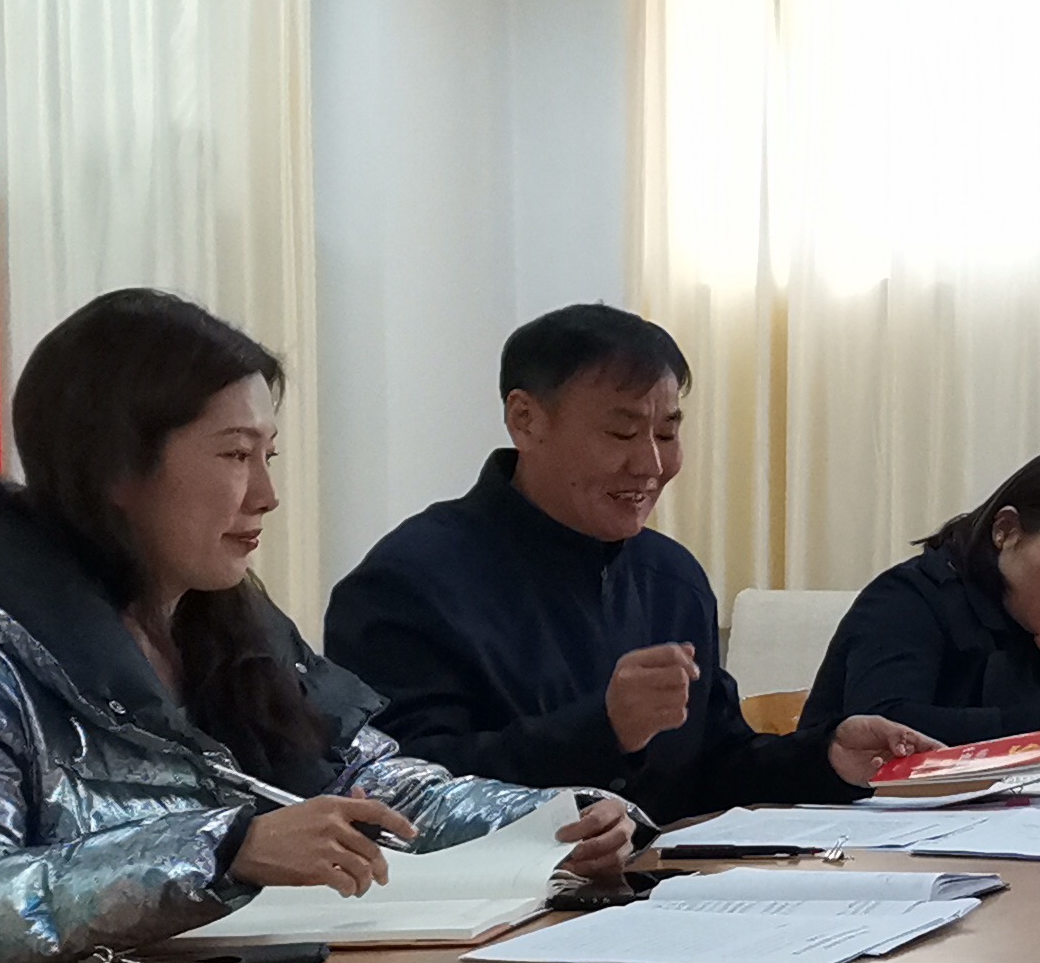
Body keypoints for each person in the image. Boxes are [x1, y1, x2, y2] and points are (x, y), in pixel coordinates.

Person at [0, 290, 631, 963]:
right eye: (235, 455)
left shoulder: (228, 626)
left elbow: (372, 786)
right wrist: (224, 850)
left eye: (269, 455)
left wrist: (553, 817)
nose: (266, 494)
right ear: (115, 468)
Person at [324, 306, 929, 821]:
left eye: (666, 434)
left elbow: (717, 765)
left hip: (668, 896)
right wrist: (603, 728)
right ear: (525, 420)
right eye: (621, 434)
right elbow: (402, 792)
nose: (650, 466)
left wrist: (826, 758)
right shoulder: (406, 583)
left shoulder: (671, 578)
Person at [800, 447, 1040, 764]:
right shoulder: (908, 598)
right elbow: (887, 725)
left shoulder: (1033, 616)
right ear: (1007, 530)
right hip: (848, 813)